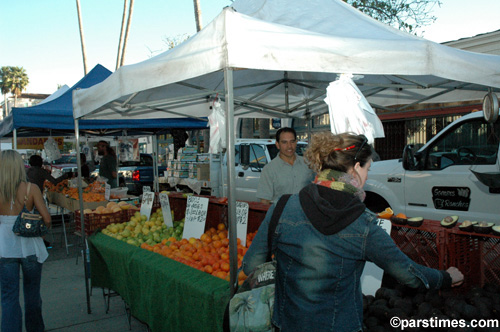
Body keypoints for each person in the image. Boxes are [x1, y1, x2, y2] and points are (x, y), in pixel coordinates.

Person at [242, 132, 464, 332]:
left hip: (288, 323)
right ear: (356, 167)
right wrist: (446, 277)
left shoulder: (282, 206)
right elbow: (410, 274)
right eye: (368, 169)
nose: (367, 177)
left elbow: (251, 265)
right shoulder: (364, 223)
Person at [0, 150, 51, 332]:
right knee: (32, 294)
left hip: (4, 248)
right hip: (30, 246)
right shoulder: (31, 188)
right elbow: (47, 218)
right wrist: (43, 234)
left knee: (8, 297)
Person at [256, 127, 314, 204]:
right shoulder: (269, 169)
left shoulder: (308, 164)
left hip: (306, 214)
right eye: (284, 142)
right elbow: (264, 201)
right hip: (282, 215)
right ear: (277, 144)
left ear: (296, 142)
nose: (289, 146)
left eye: (292, 142)